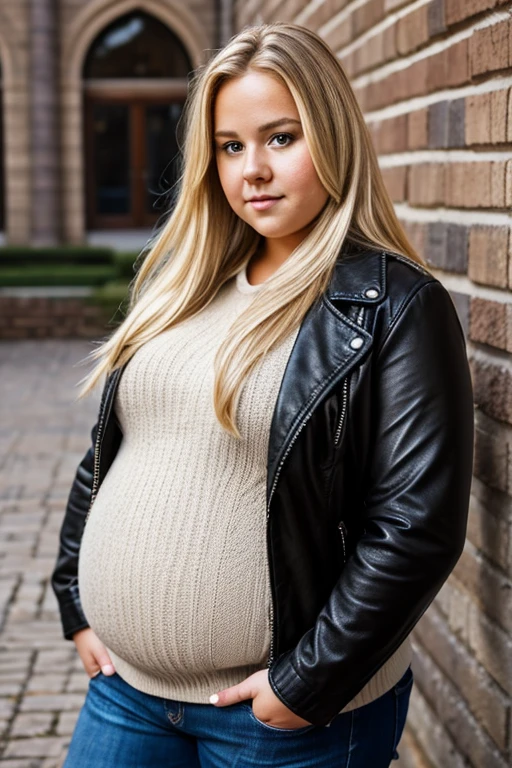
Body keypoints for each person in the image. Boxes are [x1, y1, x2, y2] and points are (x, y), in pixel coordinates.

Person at [51, 21, 474, 768]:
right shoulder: (181, 285)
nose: (253, 170)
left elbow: (417, 525)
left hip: (280, 717)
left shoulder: (393, 306)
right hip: (127, 691)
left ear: (333, 138)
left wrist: (306, 684)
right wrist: (77, 603)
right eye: (230, 145)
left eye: (281, 137)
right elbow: (111, 451)